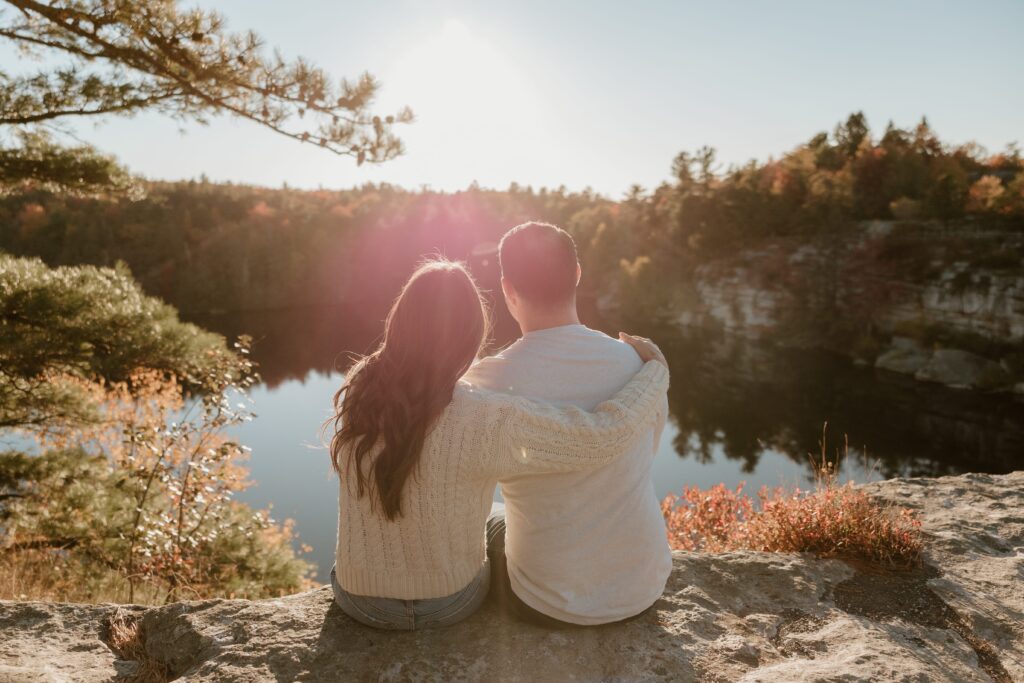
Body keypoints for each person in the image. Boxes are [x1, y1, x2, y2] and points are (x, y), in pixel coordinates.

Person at [327, 258, 669, 630]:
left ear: (400, 321)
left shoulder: (360, 385)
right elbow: (602, 435)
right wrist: (655, 372)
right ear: (472, 334)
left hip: (358, 599)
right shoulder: (485, 416)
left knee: (486, 511)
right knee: (503, 519)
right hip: (448, 602)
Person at [464, 222, 673, 628]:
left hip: (546, 602)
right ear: (578, 274)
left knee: (489, 517)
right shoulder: (639, 366)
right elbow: (644, 453)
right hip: (643, 587)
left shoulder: (485, 382)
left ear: (507, 288)